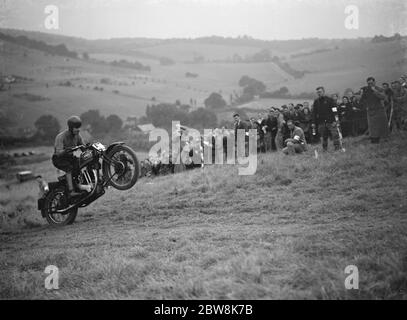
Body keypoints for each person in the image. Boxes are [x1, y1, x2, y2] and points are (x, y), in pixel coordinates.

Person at [52, 116, 85, 197]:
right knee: (69, 168)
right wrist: (66, 150)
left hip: (69, 157)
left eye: (79, 127)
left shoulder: (78, 136)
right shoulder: (61, 137)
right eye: (76, 128)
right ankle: (71, 191)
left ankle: (79, 185)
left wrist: (89, 148)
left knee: (81, 163)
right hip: (59, 159)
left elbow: (83, 147)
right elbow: (58, 152)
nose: (78, 130)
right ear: (70, 128)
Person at [356, 77, 389, 143]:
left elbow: (383, 97)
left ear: (374, 82)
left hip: (380, 111)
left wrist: (375, 91)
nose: (370, 84)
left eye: (371, 83)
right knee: (373, 127)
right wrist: (361, 95)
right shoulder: (366, 90)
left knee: (382, 125)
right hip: (371, 111)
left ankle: (385, 139)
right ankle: (374, 140)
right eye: (368, 83)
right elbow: (361, 101)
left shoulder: (379, 89)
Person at [311, 86, 341, 151]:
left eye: (320, 92)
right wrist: (313, 122)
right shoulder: (316, 101)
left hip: (331, 121)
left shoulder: (329, 100)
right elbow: (314, 113)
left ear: (323, 92)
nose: (319, 93)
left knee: (335, 135)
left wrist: (336, 121)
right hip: (321, 122)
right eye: (317, 92)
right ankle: (325, 149)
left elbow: (335, 111)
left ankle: (337, 148)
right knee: (324, 137)